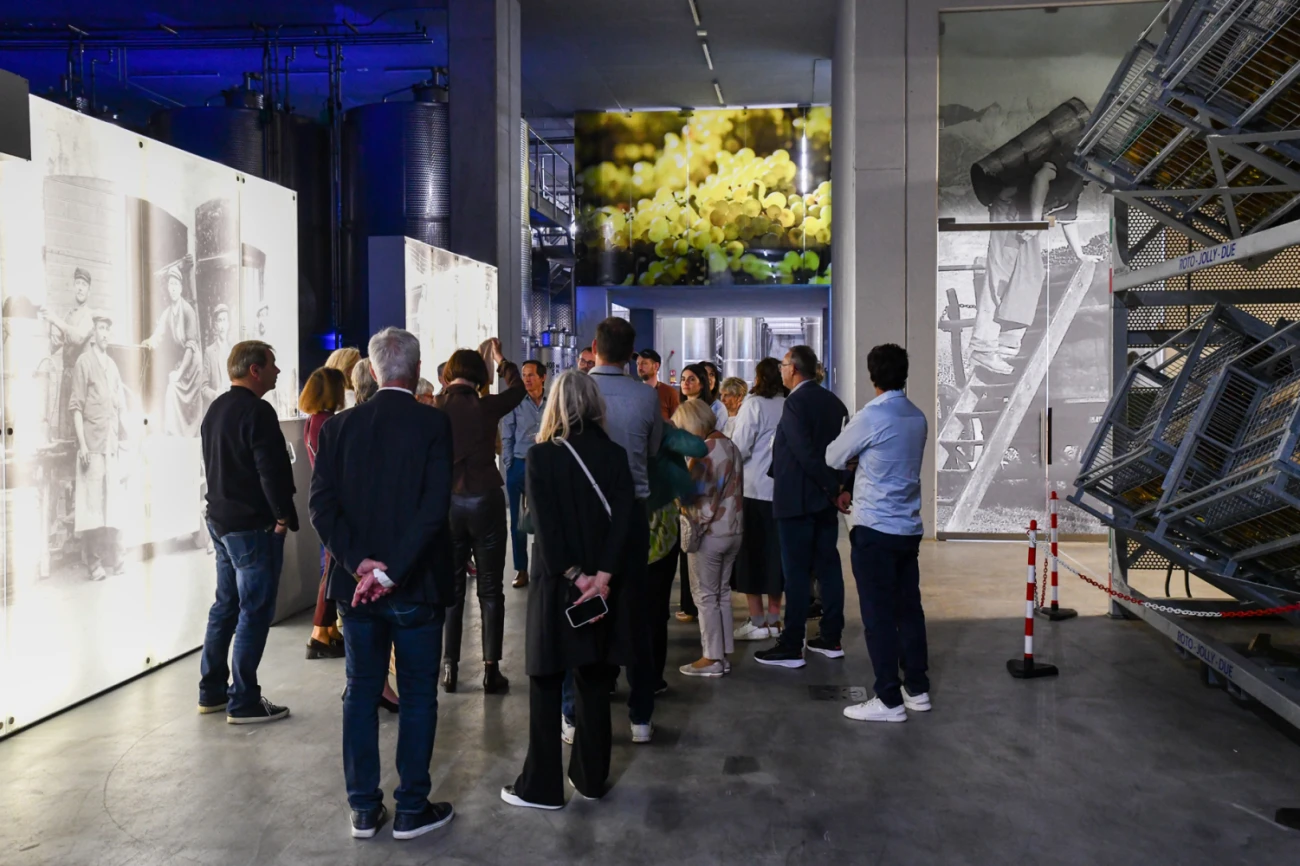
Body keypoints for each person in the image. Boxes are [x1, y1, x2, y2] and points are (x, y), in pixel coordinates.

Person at [310, 327, 456, 841]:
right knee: (416, 696)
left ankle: (364, 810)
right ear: (416, 370)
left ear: (371, 371)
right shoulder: (433, 424)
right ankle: (411, 808)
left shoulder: (338, 428)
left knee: (360, 693)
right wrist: (391, 571)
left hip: (356, 591)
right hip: (416, 586)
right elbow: (434, 508)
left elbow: (321, 508)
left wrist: (360, 565)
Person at [500, 370, 637, 809]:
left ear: (556, 404)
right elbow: (624, 522)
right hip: (603, 588)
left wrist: (576, 576)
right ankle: (591, 779)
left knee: (545, 679)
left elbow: (546, 527)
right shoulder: (615, 455)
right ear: (595, 404)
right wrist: (602, 578)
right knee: (594, 677)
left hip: (557, 585)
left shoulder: (541, 456)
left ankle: (541, 787)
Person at [826, 344, 930, 723]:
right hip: (908, 528)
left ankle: (888, 699)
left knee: (878, 616)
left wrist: (857, 457)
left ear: (872, 376)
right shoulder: (916, 416)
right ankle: (916, 689)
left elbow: (833, 456)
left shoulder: (871, 416)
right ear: (905, 373)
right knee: (909, 611)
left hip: (874, 528)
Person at [198, 340, 297, 723]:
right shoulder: (258, 411)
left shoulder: (216, 409)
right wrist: (282, 518)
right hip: (252, 527)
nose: (277, 370)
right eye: (272, 364)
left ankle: (211, 691)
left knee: (226, 605)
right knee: (254, 611)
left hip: (221, 522)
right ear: (255, 370)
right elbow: (269, 470)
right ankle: (243, 701)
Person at [434, 339, 526, 693]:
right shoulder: (487, 406)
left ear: (448, 374)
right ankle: (491, 671)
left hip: (449, 502)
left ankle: (449, 669)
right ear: (479, 376)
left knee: (453, 589)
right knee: (490, 588)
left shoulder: (435, 407)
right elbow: (518, 389)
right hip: (486, 499)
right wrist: (501, 360)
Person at [586, 316, 660, 743]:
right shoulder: (646, 396)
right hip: (631, 514)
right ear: (632, 355)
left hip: (586, 516)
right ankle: (641, 718)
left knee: (582, 610)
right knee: (635, 613)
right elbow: (652, 450)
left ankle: (577, 712)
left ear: (594, 347)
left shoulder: (575, 389)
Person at [754, 345, 850, 669]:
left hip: (796, 501)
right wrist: (838, 488)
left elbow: (804, 453)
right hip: (824, 502)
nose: (781, 370)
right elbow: (845, 453)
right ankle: (831, 638)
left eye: (783, 365)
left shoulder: (795, 403)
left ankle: (792, 645)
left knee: (795, 574)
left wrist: (832, 487)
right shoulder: (834, 402)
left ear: (794, 369)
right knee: (827, 568)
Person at [673, 399, 743, 677]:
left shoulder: (705, 452)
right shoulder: (729, 444)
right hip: (733, 530)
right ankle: (722, 655)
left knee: (704, 596)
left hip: (710, 534)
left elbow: (699, 502)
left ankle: (711, 657)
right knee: (721, 594)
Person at [730, 357, 786, 640]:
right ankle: (775, 620)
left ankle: (757, 620)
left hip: (753, 489)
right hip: (781, 490)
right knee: (776, 557)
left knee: (751, 556)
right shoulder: (788, 403)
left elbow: (740, 447)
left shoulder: (754, 404)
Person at [69, 311, 128, 581]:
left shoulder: (112, 367)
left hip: (110, 445)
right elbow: (76, 407)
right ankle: (94, 564)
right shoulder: (84, 363)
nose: (104, 333)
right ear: (94, 331)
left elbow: (120, 407)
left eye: (107, 329)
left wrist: (129, 435)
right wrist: (82, 445)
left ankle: (117, 559)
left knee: (112, 505)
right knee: (92, 508)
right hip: (91, 446)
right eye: (101, 328)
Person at [299, 366, 347, 660]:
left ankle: (327, 630)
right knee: (332, 567)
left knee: (332, 565)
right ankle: (319, 631)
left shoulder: (313, 421)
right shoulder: (328, 423)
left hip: (323, 500)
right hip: (334, 502)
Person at [143, 262, 203, 437]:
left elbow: (191, 347)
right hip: (183, 364)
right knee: (171, 391)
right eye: (171, 284)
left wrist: (179, 373)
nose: (173, 288)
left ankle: (192, 438)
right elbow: (158, 334)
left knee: (191, 408)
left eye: (176, 284)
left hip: (193, 365)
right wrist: (148, 342)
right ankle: (173, 435)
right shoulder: (168, 313)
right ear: (168, 288)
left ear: (181, 288)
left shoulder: (188, 311)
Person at [502, 359, 547, 590]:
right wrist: (509, 464)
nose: (527, 379)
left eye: (531, 375)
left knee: (546, 516)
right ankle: (521, 569)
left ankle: (546, 565)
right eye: (524, 375)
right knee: (518, 522)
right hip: (520, 464)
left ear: (542, 377)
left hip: (545, 464)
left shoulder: (552, 401)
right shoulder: (516, 402)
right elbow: (506, 435)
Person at [44, 266, 95, 438]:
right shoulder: (68, 316)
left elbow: (78, 337)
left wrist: (55, 320)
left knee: (78, 430)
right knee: (64, 429)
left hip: (81, 379)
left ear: (89, 291)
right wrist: (48, 329)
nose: (80, 288)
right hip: (67, 379)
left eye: (84, 285)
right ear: (74, 286)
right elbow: (55, 344)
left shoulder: (90, 316)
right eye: (77, 283)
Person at [201, 304, 232, 411]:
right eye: (219, 321)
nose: (222, 325)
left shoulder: (234, 350)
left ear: (228, 324)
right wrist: (215, 394)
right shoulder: (209, 352)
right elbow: (203, 388)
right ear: (215, 325)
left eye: (224, 320)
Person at [636, 348, 680, 421]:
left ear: (656, 366)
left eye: (644, 363)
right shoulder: (633, 392)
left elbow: (677, 423)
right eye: (638, 364)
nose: (639, 367)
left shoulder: (670, 393)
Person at [700, 361, 728, 432]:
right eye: (705, 374)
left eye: (712, 375)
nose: (708, 378)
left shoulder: (718, 408)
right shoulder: (686, 404)